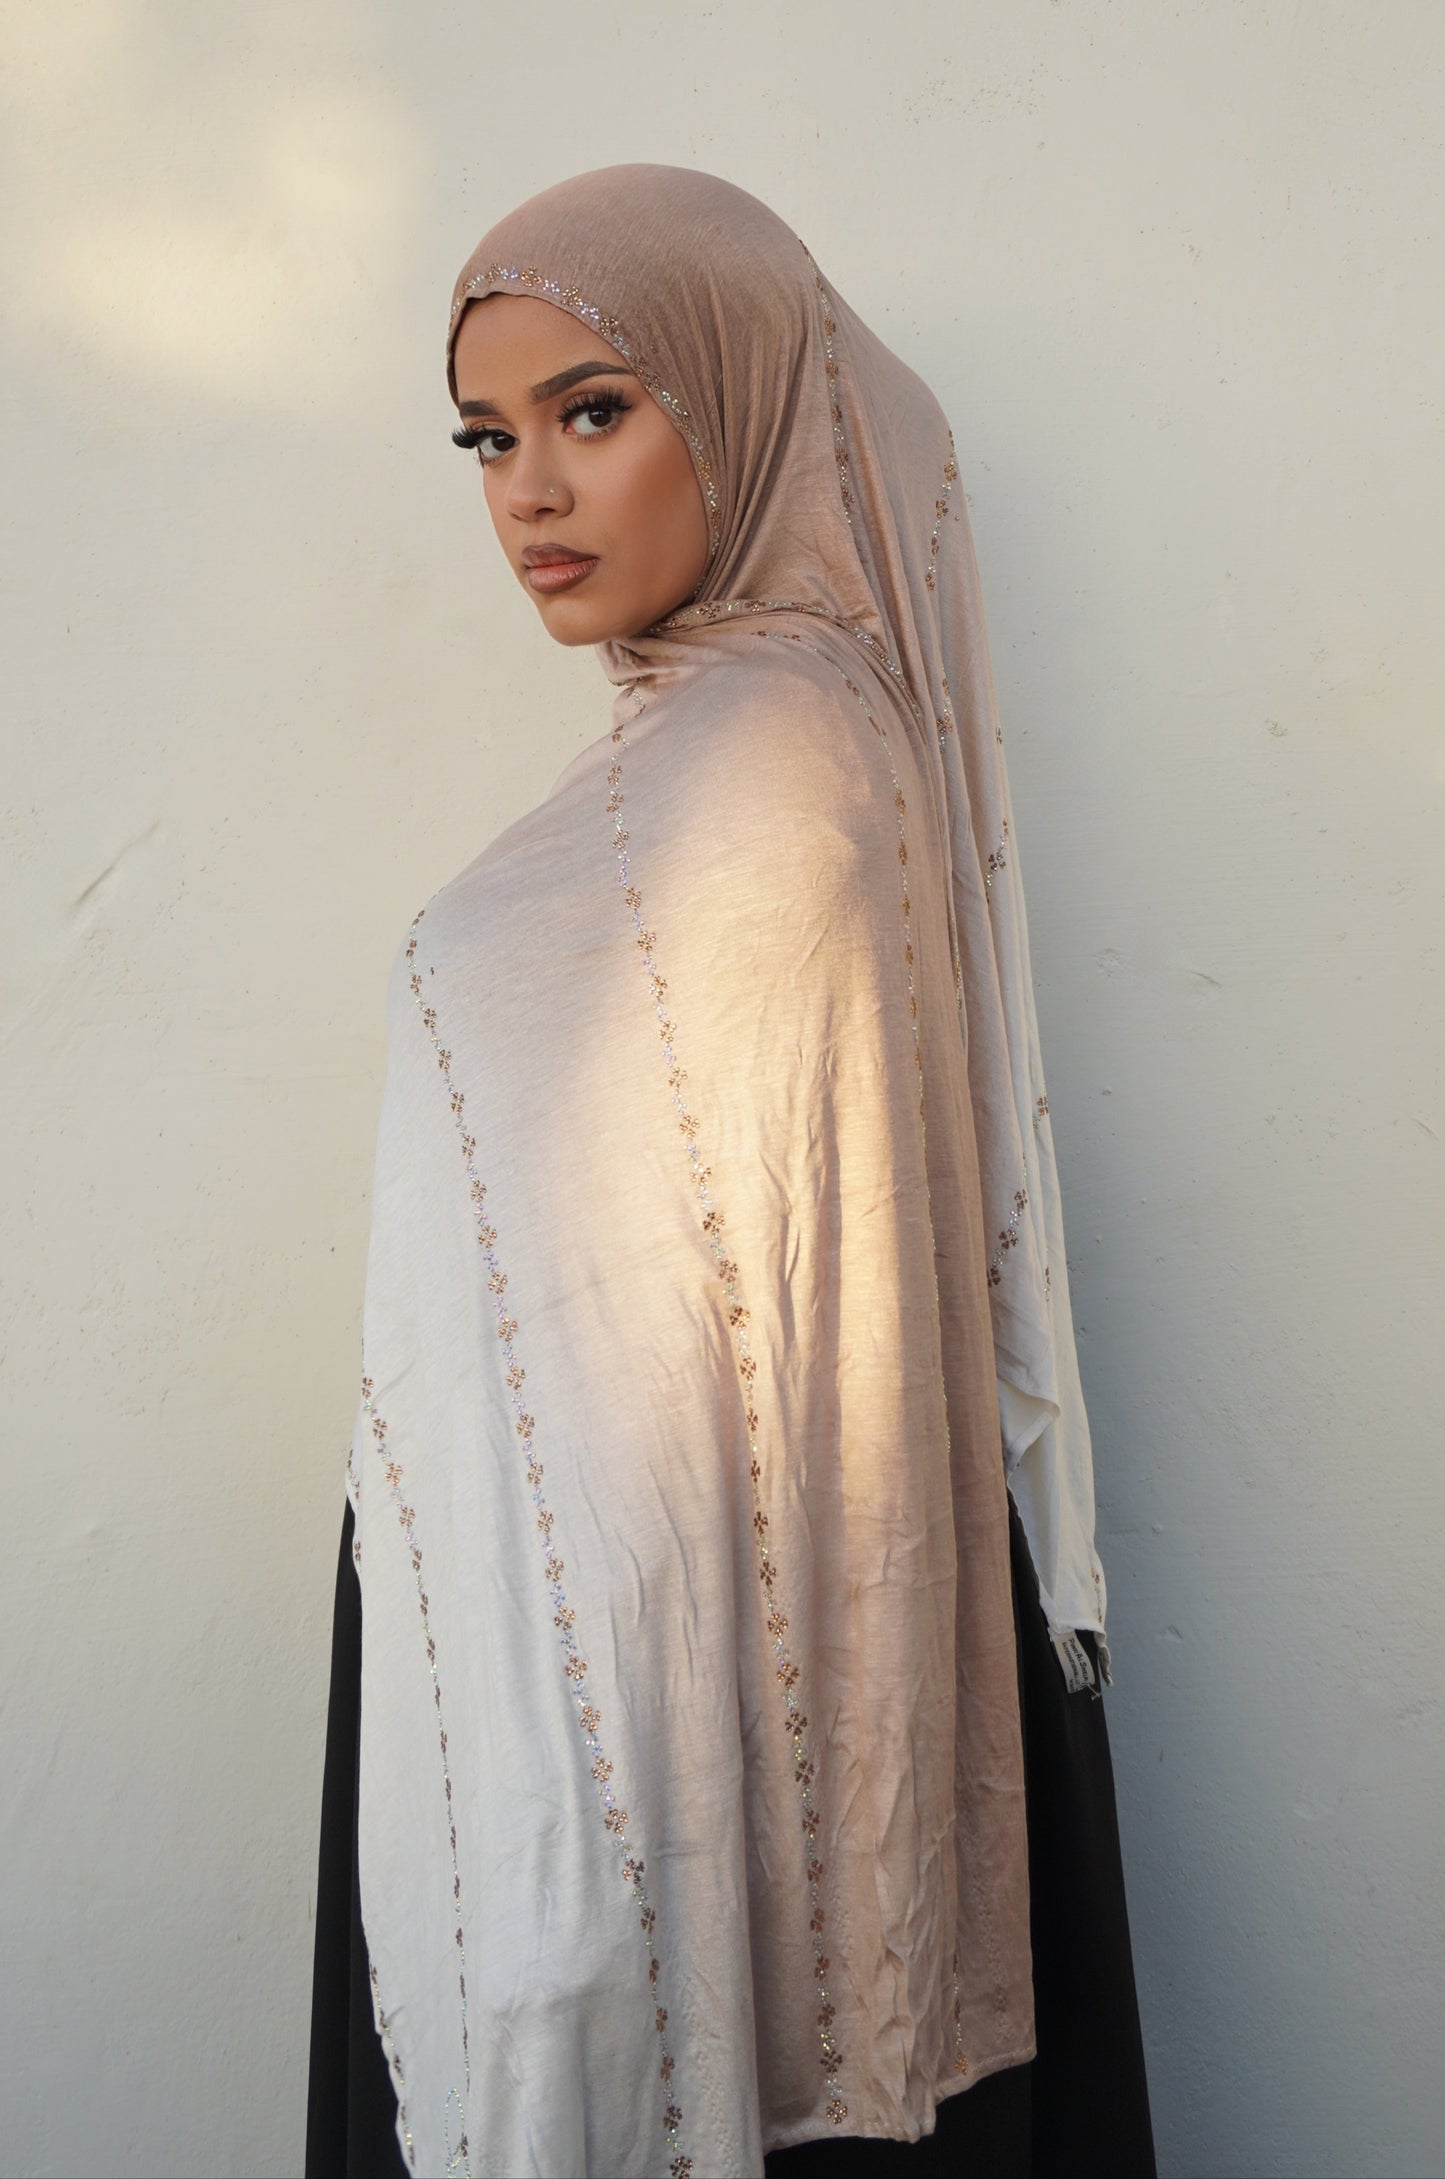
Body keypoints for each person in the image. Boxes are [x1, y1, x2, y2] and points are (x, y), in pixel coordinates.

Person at [305, 164, 1155, 2179]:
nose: (529, 491)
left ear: (752, 406)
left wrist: (569, 1852)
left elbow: (713, 1382)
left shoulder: (767, 780)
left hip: (622, 1659)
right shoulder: (771, 738)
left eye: (594, 411)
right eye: (487, 437)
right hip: (562, 1594)